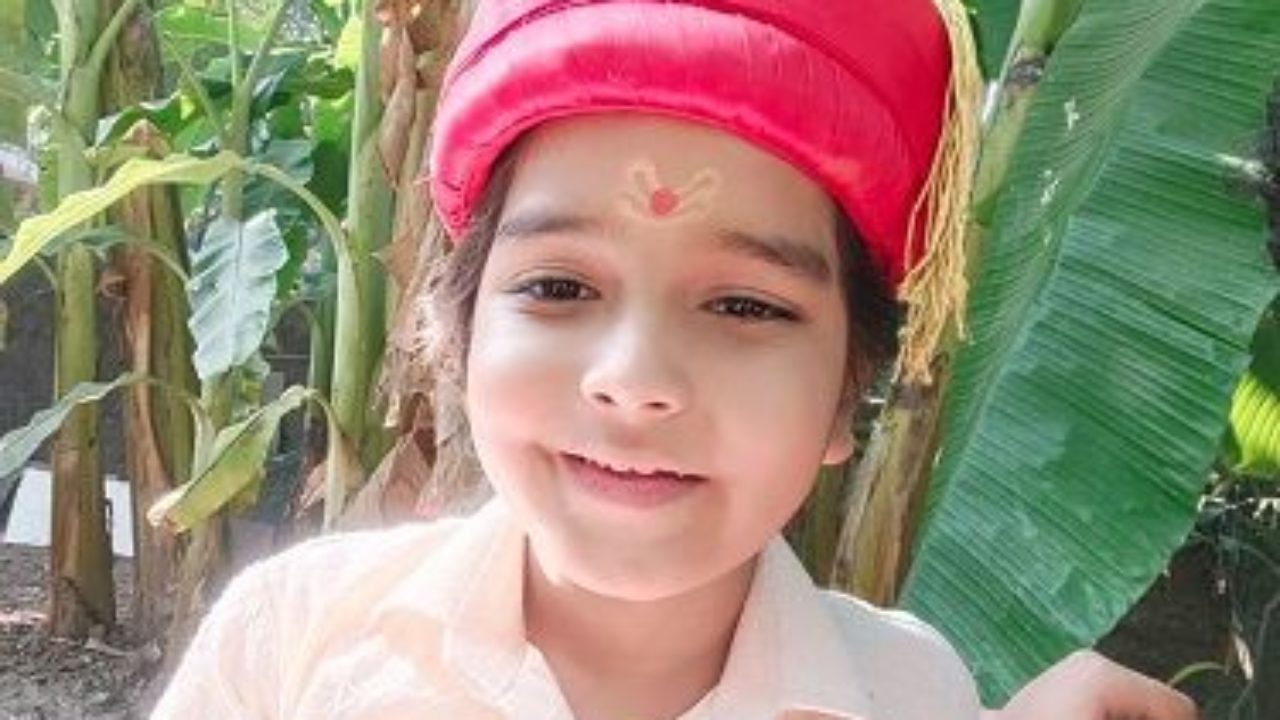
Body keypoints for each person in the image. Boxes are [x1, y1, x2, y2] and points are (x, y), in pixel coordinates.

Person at [152, 1, 1201, 718]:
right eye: (559, 288)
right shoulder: (292, 644)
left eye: (744, 304)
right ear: (457, 335)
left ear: (848, 391)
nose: (634, 378)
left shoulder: (910, 695)